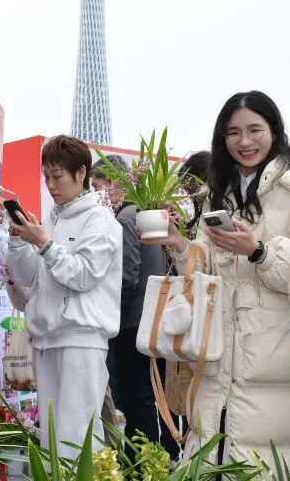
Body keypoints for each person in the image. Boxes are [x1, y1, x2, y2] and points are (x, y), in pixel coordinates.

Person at [152, 91, 290, 477]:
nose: (244, 141)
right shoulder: (221, 191)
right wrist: (179, 244)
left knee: (274, 461)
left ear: (274, 130)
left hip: (277, 356)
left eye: (254, 130)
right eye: (233, 133)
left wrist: (259, 251)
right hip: (220, 356)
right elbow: (205, 269)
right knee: (217, 455)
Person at [4, 135, 122, 459]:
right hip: (46, 339)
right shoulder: (52, 219)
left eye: (57, 176)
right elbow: (29, 278)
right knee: (52, 439)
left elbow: (83, 275)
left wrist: (44, 243)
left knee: (78, 438)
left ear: (81, 173)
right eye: (46, 176)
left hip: (82, 339)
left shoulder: (101, 219)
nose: (51, 185)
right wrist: (18, 241)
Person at [90, 154, 170, 448]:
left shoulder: (124, 219)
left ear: (113, 183)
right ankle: (156, 457)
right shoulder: (144, 213)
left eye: (97, 187)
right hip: (151, 319)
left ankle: (141, 462)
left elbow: (126, 277)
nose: (97, 196)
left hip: (132, 323)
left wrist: (103, 307)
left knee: (137, 399)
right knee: (149, 398)